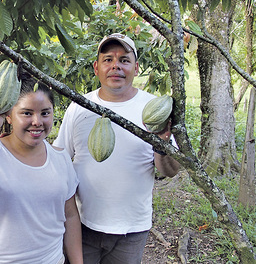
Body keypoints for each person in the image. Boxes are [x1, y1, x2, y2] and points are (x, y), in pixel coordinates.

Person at [53, 33, 181, 264]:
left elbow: (170, 171)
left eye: (124, 60)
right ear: (96, 67)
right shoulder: (79, 107)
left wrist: (162, 144)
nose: (116, 66)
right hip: (81, 224)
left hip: (132, 229)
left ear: (136, 67)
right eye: (108, 59)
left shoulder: (154, 109)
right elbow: (58, 159)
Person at [0, 80, 83, 264]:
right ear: (9, 115)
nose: (37, 122)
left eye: (45, 113)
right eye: (26, 113)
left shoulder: (60, 158)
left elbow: (70, 215)